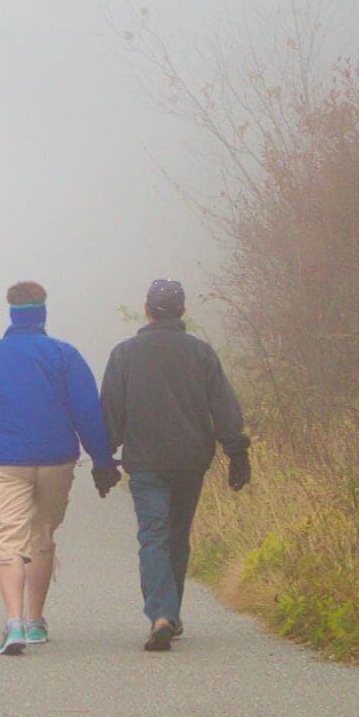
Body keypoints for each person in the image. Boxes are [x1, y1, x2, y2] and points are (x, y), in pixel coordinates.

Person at [0, 280, 116, 655]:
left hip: (5, 460)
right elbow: (87, 412)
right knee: (42, 535)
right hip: (56, 458)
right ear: (43, 311)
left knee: (8, 539)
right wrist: (103, 461)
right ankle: (35, 620)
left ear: (11, 312)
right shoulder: (64, 356)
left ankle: (13, 623)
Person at [100, 278, 251, 653]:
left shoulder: (125, 354)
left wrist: (104, 459)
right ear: (182, 311)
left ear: (147, 310)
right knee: (177, 537)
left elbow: (110, 412)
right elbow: (223, 405)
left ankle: (162, 614)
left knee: (153, 536)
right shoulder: (201, 353)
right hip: (190, 461)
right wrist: (236, 452)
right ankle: (170, 613)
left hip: (146, 462)